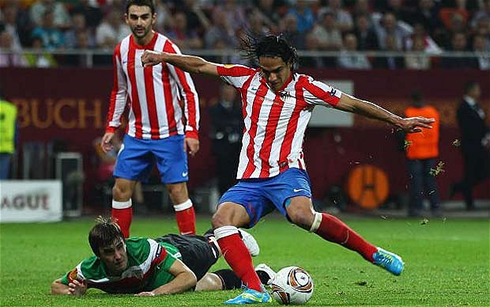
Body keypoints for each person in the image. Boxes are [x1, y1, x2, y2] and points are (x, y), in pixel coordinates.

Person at [141, 34, 434, 304]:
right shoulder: (246, 79)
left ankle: (373, 253)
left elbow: (353, 104)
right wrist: (165, 57)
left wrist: (397, 120)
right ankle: (255, 289)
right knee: (222, 219)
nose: (270, 77)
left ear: (289, 64)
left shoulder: (306, 87)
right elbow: (202, 65)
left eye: (276, 71)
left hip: (286, 173)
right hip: (252, 179)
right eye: (265, 71)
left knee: (301, 215)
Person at [100, 0, 200, 238]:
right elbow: (120, 91)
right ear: (126, 18)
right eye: (134, 17)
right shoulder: (121, 50)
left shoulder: (167, 49)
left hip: (170, 134)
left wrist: (192, 131)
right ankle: (119, 250)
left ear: (154, 18)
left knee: (177, 192)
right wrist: (112, 126)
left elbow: (189, 91)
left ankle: (194, 251)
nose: (139, 22)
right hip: (136, 136)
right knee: (120, 190)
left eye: (144, 17)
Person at [51, 216, 261, 296]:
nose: (117, 256)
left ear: (124, 243)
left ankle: (225, 235)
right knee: (208, 284)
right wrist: (73, 293)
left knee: (213, 249)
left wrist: (155, 293)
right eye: (108, 252)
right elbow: (56, 286)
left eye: (119, 247)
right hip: (162, 276)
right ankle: (261, 275)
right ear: (98, 255)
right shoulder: (90, 269)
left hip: (179, 252)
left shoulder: (143, 249)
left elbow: (187, 276)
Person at [451, 81, 490, 210]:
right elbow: (468, 128)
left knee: (483, 171)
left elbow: (482, 124)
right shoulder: (463, 107)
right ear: (470, 91)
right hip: (470, 145)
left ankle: (459, 187)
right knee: (469, 173)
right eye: (477, 89)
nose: (479, 92)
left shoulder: (476, 106)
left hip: (479, 145)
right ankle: (469, 202)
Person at [403, 90, 441, 217]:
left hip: (414, 153)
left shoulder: (408, 113)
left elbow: (401, 132)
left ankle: (416, 209)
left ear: (413, 100)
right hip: (431, 152)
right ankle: (435, 208)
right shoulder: (433, 112)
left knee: (416, 183)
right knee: (430, 181)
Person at [209, 84, 244, 196]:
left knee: (237, 178)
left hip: (237, 150)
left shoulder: (240, 108)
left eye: (231, 91)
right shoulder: (215, 108)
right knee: (223, 178)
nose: (229, 94)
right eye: (227, 91)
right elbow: (217, 125)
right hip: (222, 151)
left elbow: (240, 126)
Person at [0, 95, 17, 180]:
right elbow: (15, 129)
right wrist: (14, 144)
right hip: (6, 147)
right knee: (2, 177)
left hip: (6, 148)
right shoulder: (10, 109)